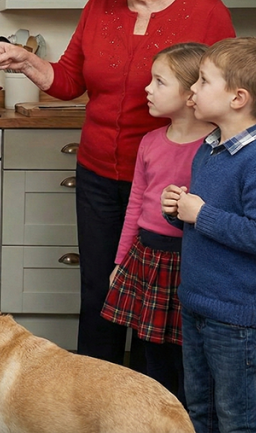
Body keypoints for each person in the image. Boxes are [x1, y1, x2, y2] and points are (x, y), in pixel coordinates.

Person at [0, 0, 235, 365]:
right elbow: (70, 80)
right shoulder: (100, 6)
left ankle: (154, 402)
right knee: (99, 289)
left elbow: (224, 103)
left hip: (170, 181)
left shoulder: (207, 14)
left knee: (163, 296)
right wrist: (29, 62)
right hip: (97, 172)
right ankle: (93, 395)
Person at [161, 37, 256, 433]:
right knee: (199, 410)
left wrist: (201, 214)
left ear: (237, 98)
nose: (193, 90)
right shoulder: (211, 148)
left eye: (202, 81)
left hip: (235, 319)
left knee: (238, 419)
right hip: (198, 305)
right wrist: (178, 212)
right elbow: (203, 222)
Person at [100, 42, 215, 406]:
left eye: (159, 82)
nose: (147, 89)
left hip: (190, 262)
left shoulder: (213, 148)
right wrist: (120, 262)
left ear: (190, 91)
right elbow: (135, 205)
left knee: (190, 362)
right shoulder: (150, 142)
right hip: (146, 259)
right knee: (152, 358)